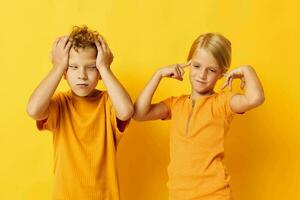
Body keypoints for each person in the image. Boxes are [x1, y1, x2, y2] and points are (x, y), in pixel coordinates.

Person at [133, 33, 265, 200]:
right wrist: (158, 75)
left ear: (222, 73)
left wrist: (247, 70)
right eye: (196, 66)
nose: (202, 75)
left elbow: (255, 98)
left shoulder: (223, 102)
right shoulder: (175, 104)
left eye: (211, 70)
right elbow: (139, 113)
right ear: (188, 64)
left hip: (215, 195)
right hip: (178, 195)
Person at [26, 25, 133, 200]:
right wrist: (58, 66)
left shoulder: (108, 103)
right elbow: (33, 109)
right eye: (73, 67)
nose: (81, 75)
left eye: (91, 67)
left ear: (99, 72)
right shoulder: (60, 104)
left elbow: (127, 110)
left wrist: (105, 67)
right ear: (65, 73)